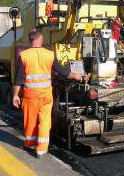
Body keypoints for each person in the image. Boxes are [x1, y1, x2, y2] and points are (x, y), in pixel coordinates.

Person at [13, 29, 88, 158]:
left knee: (30, 121)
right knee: (45, 121)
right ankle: (41, 150)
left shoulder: (23, 55)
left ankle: (30, 143)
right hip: (46, 96)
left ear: (30, 41)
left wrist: (15, 95)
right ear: (41, 40)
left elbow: (18, 78)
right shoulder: (50, 54)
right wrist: (78, 76)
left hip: (30, 96)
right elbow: (63, 72)